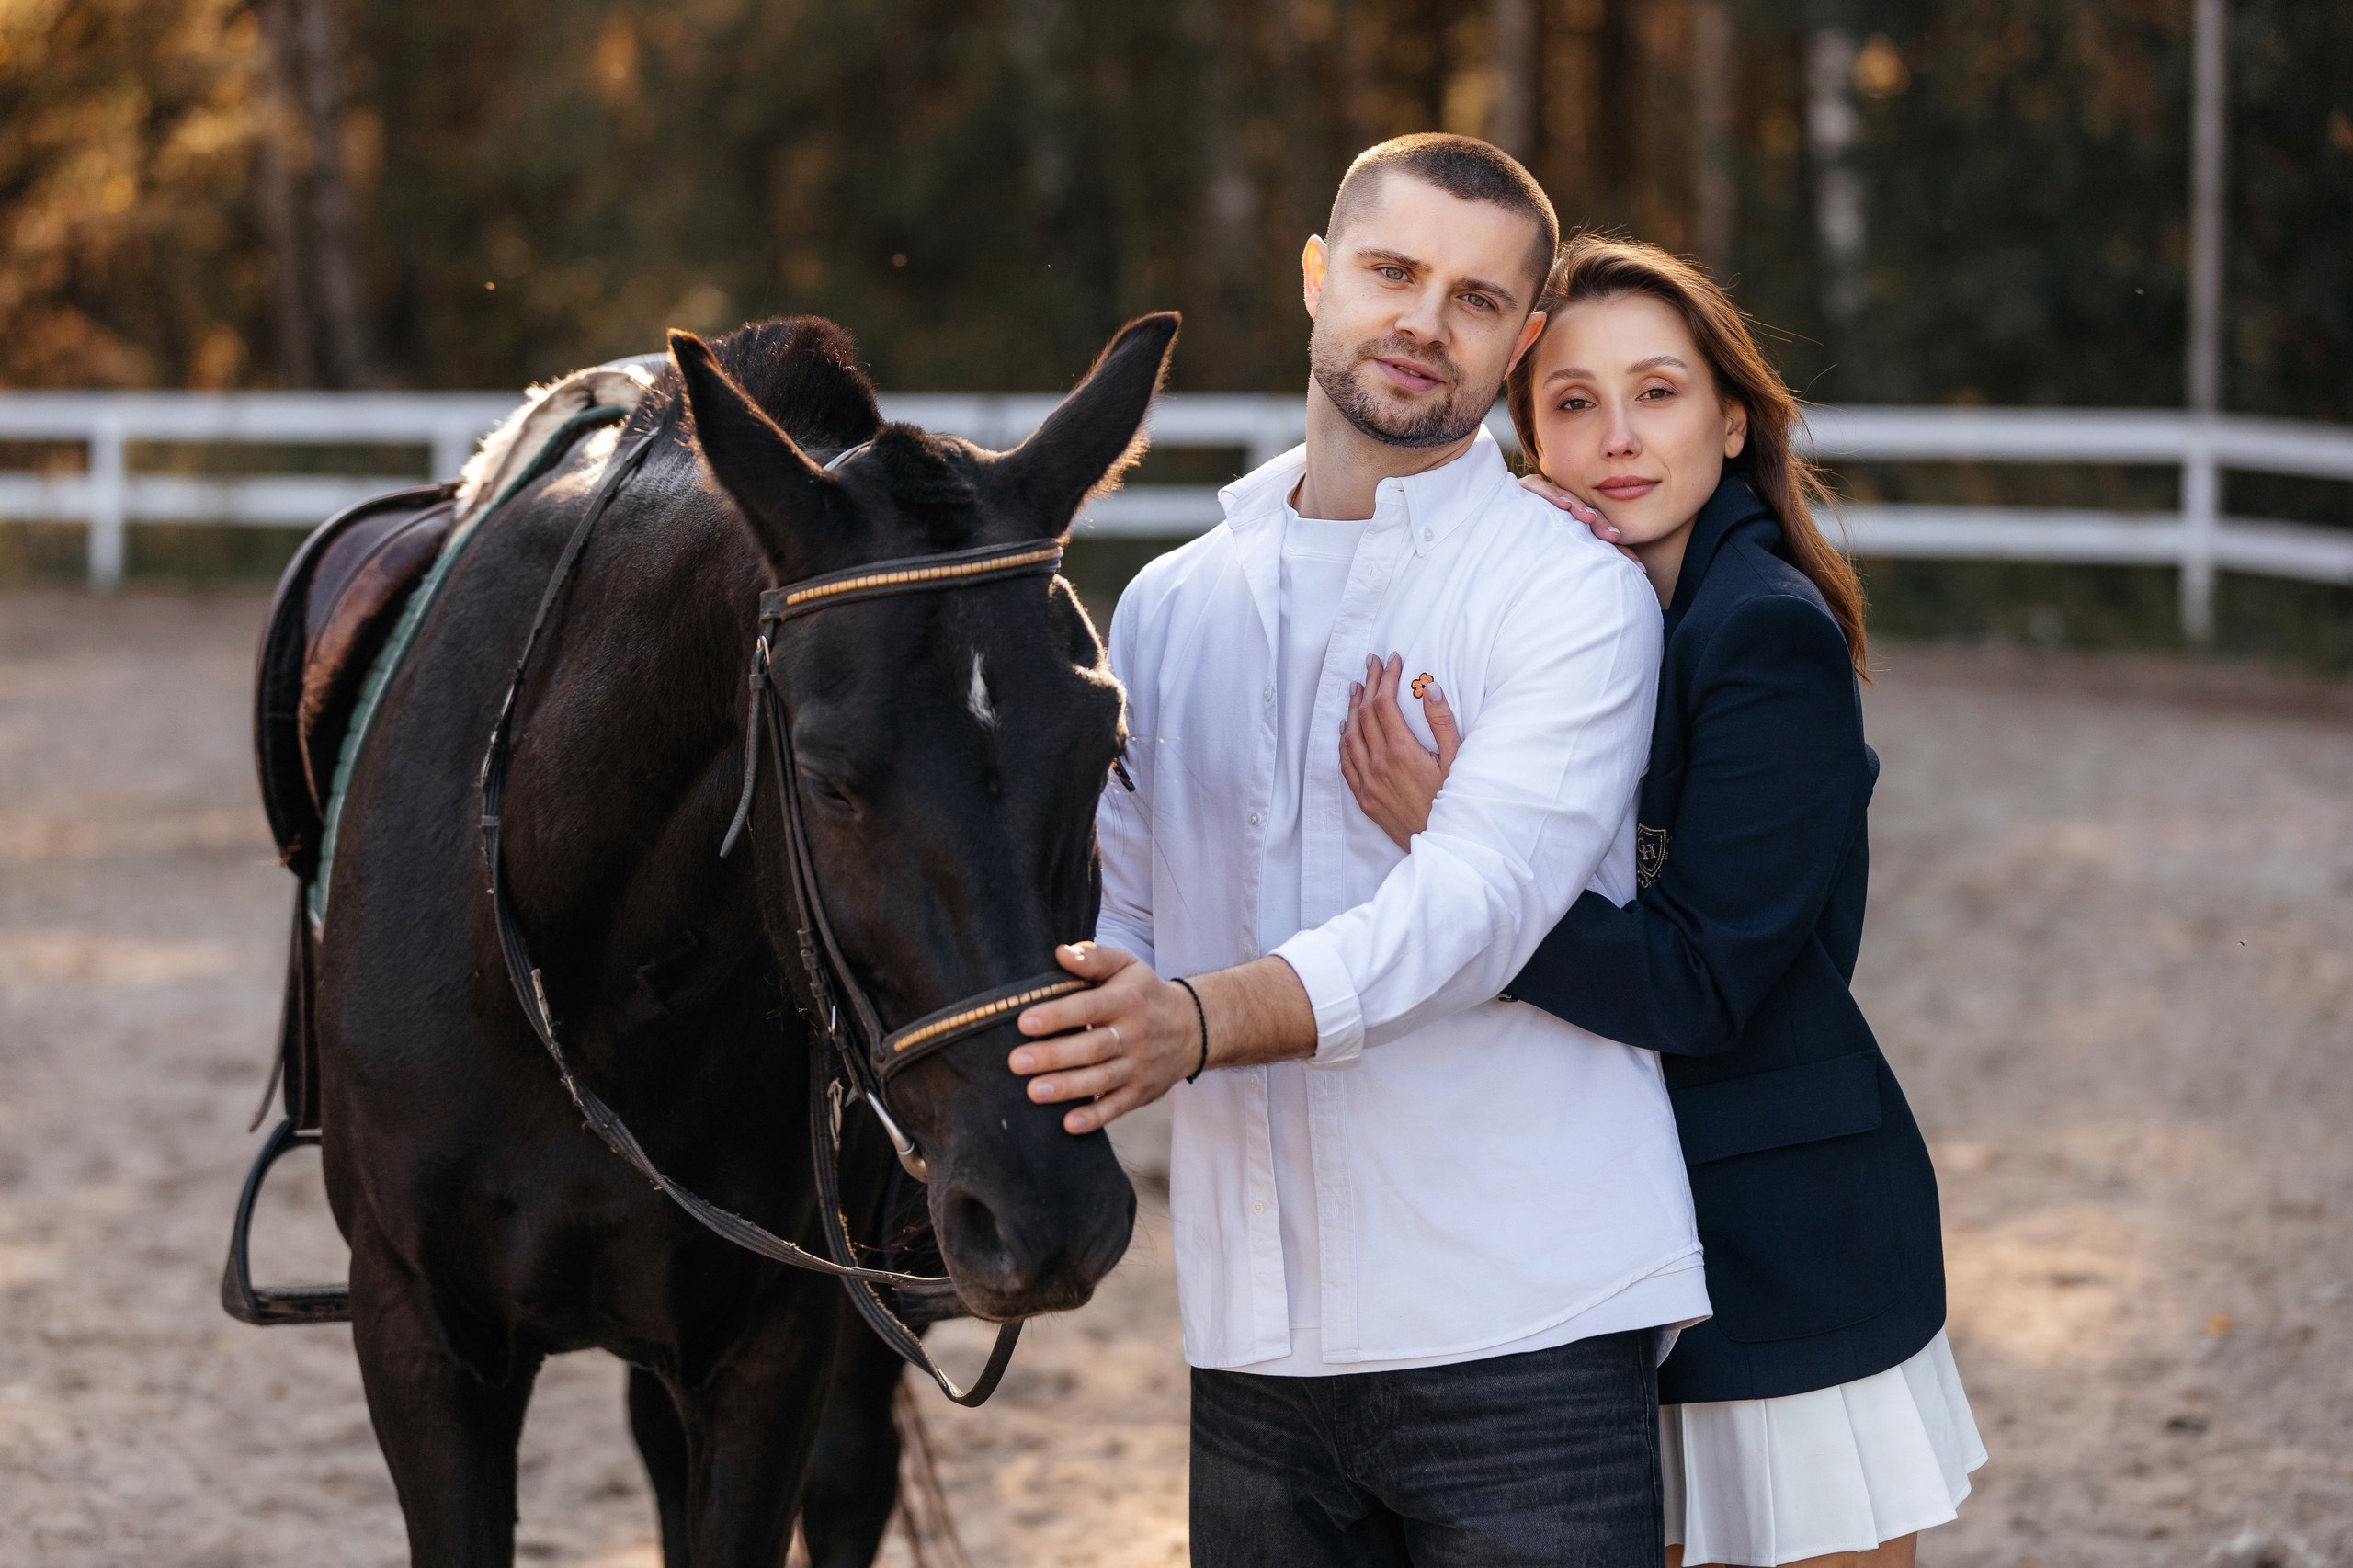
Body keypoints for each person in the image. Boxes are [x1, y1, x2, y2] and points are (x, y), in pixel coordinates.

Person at [1005, 135, 1707, 1563]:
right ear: (1319, 277)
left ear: (1515, 342)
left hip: (1526, 1327)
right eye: (1392, 271)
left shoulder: (1566, 592)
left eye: (1474, 299)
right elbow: (1119, 917)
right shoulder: (1167, 607)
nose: (1421, 321)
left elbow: (1479, 909)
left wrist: (1193, 1023)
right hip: (1257, 1343)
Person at [1337, 234, 1986, 1568]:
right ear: (1530, 438)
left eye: (1659, 393)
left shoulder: (1763, 628)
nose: (1618, 439)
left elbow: (1701, 976)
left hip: (1782, 1243)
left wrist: (1455, 857)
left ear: (1733, 416)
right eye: (1574, 403)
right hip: (1615, 1244)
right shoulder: (1590, 605)